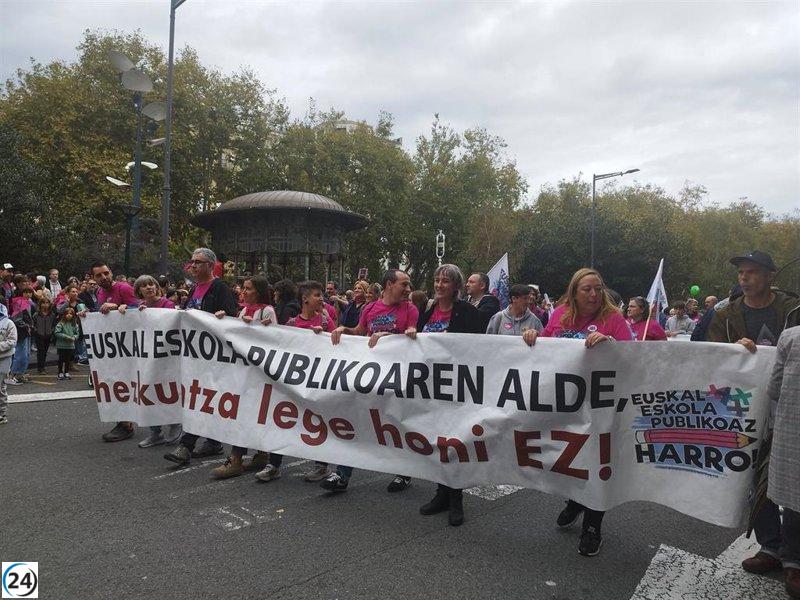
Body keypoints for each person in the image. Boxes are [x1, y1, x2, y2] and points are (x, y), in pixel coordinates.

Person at [523, 267, 634, 556]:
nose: (594, 294)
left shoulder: (613, 319)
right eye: (587, 289)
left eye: (598, 288)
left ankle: (592, 527)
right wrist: (534, 336)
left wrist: (611, 345)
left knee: (597, 462)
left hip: (600, 406)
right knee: (571, 458)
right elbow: (545, 348)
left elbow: (633, 357)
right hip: (567, 406)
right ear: (574, 292)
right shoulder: (560, 315)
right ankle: (575, 501)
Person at [706, 251, 800, 576]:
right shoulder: (726, 314)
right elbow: (713, 356)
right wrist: (734, 351)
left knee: (793, 475)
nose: (744, 278)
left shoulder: (794, 310)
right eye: (741, 273)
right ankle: (770, 546)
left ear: (770, 276)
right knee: (751, 473)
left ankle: (794, 557)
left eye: (752, 272)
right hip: (743, 405)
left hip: (788, 405)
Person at [321, 269, 418, 493]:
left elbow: (414, 340)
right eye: (404, 284)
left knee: (395, 426)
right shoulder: (370, 308)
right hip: (370, 377)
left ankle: (404, 473)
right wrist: (343, 329)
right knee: (355, 422)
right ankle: (342, 475)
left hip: (396, 380)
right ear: (389, 284)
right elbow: (359, 332)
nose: (408, 289)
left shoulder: (410, 309)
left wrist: (391, 338)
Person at [417, 264, 484, 527]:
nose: (439, 285)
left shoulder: (467, 312)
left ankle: (456, 498)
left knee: (454, 442)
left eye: (445, 281)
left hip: (457, 387)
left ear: (456, 286)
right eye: (436, 280)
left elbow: (480, 347)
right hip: (430, 388)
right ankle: (441, 493)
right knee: (437, 441)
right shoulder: (428, 311)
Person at [253, 280, 336, 484]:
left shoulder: (326, 323)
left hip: (317, 381)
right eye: (317, 295)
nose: (321, 299)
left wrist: (326, 335)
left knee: (317, 421)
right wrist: (265, 329)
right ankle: (274, 465)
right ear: (304, 299)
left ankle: (322, 465)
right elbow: (279, 344)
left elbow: (338, 345)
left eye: (322, 295)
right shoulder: (291, 324)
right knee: (282, 419)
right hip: (293, 382)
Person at [164, 248, 239, 465]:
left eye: (198, 262)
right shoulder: (194, 289)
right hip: (195, 354)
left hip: (212, 355)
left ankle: (186, 446)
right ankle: (214, 442)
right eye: (192, 262)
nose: (193, 266)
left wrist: (222, 316)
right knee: (203, 398)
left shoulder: (220, 288)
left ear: (210, 265)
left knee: (201, 398)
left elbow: (231, 317)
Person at [210, 276, 277, 479]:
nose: (243, 292)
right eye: (243, 288)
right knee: (246, 413)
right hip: (243, 371)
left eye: (248, 288)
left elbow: (276, 340)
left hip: (258, 373)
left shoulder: (268, 311)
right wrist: (223, 320)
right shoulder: (242, 311)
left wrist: (257, 327)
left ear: (259, 291)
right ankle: (261, 454)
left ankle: (236, 459)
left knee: (246, 413)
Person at [118, 275, 182, 449]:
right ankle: (155, 433)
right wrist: (123, 308)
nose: (149, 287)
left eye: (151, 284)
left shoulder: (167, 304)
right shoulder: (140, 307)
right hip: (147, 359)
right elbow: (126, 316)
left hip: (166, 358)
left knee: (167, 390)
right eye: (144, 285)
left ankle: (175, 424)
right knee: (149, 393)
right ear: (139, 291)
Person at [764, 326, 800, 598]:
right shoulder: (791, 336)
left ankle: (793, 561)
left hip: (793, 428)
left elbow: (774, 388)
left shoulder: (791, 337)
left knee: (795, 497)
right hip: (792, 431)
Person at [91, 261, 144, 441]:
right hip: (113, 348)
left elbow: (140, 310)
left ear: (111, 273)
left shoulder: (124, 288)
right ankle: (122, 421)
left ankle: (126, 424)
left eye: (106, 273)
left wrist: (117, 308)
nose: (104, 277)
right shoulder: (100, 292)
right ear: (94, 278)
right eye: (99, 275)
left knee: (125, 382)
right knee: (114, 382)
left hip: (128, 347)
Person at [7, 279, 35, 385]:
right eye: (26, 292)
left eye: (30, 292)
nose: (28, 294)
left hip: (27, 331)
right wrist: (26, 326)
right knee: (20, 354)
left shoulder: (29, 302)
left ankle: (20, 374)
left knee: (26, 354)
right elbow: (16, 319)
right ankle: (12, 375)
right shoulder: (19, 302)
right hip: (21, 331)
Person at [57, 284, 89, 364]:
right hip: (65, 329)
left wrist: (85, 311)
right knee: (66, 350)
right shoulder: (63, 301)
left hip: (77, 328)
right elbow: (59, 311)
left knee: (78, 347)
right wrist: (67, 302)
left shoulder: (80, 302)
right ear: (68, 293)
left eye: (76, 292)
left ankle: (73, 364)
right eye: (73, 292)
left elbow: (87, 311)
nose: (75, 293)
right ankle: (66, 365)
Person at [0, 303, 17, 424]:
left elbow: (12, 341)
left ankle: (2, 413)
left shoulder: (9, 323)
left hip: (4, 358)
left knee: (0, 386)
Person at [53, 307, 79, 380]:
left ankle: (66, 372)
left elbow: (77, 333)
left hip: (70, 345)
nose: (69, 315)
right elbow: (57, 333)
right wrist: (66, 337)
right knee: (61, 359)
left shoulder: (75, 325)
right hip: (61, 345)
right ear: (64, 315)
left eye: (71, 314)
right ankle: (60, 372)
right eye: (67, 313)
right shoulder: (60, 324)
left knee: (68, 359)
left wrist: (74, 337)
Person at [33, 298, 56, 374]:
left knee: (45, 352)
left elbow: (54, 324)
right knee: (41, 352)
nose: (45, 305)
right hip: (39, 335)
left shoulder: (52, 314)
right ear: (40, 304)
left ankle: (42, 367)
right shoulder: (36, 314)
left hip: (48, 335)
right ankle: (40, 368)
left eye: (47, 303)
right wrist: (36, 331)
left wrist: (51, 331)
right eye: (43, 303)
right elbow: (34, 324)